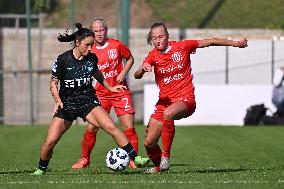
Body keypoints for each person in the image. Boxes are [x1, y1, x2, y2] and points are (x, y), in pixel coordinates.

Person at [32, 23, 149, 176]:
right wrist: (57, 100)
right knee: (50, 141)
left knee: (111, 127)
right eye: (87, 45)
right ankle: (41, 168)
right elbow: (53, 84)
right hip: (67, 105)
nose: (90, 49)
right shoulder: (63, 60)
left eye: (92, 45)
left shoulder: (91, 58)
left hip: (88, 102)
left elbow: (97, 74)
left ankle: (136, 158)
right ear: (77, 42)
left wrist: (110, 88)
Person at [134, 22, 248, 173]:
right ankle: (160, 168)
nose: (158, 40)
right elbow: (136, 75)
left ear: (167, 36)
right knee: (149, 143)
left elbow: (211, 41)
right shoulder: (153, 55)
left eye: (161, 36)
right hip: (164, 102)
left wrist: (237, 44)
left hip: (185, 100)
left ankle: (165, 157)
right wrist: (143, 68)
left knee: (168, 113)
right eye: (154, 38)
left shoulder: (183, 47)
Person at [71, 18, 138, 169]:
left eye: (101, 30)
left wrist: (124, 72)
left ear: (106, 30)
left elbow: (130, 59)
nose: (99, 33)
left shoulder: (117, 44)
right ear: (91, 32)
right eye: (96, 31)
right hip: (100, 94)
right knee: (92, 128)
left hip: (120, 91)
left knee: (129, 127)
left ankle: (133, 159)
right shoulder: (88, 49)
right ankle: (84, 159)